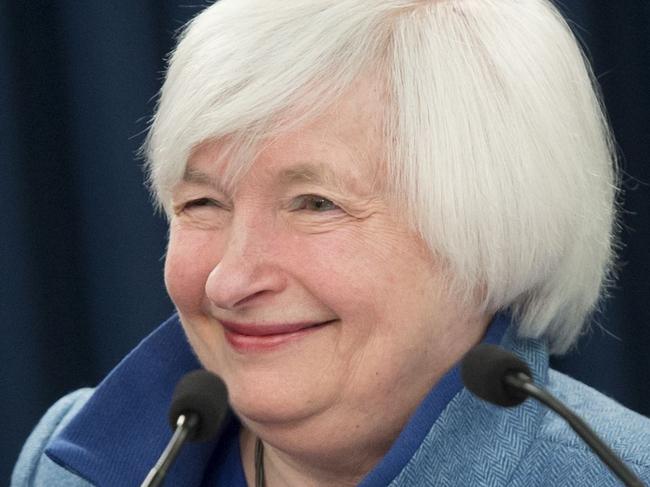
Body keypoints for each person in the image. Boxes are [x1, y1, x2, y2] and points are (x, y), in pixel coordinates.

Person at [12, 0, 650, 485]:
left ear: (494, 235)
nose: (228, 282)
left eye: (316, 204)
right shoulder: (66, 459)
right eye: (203, 203)